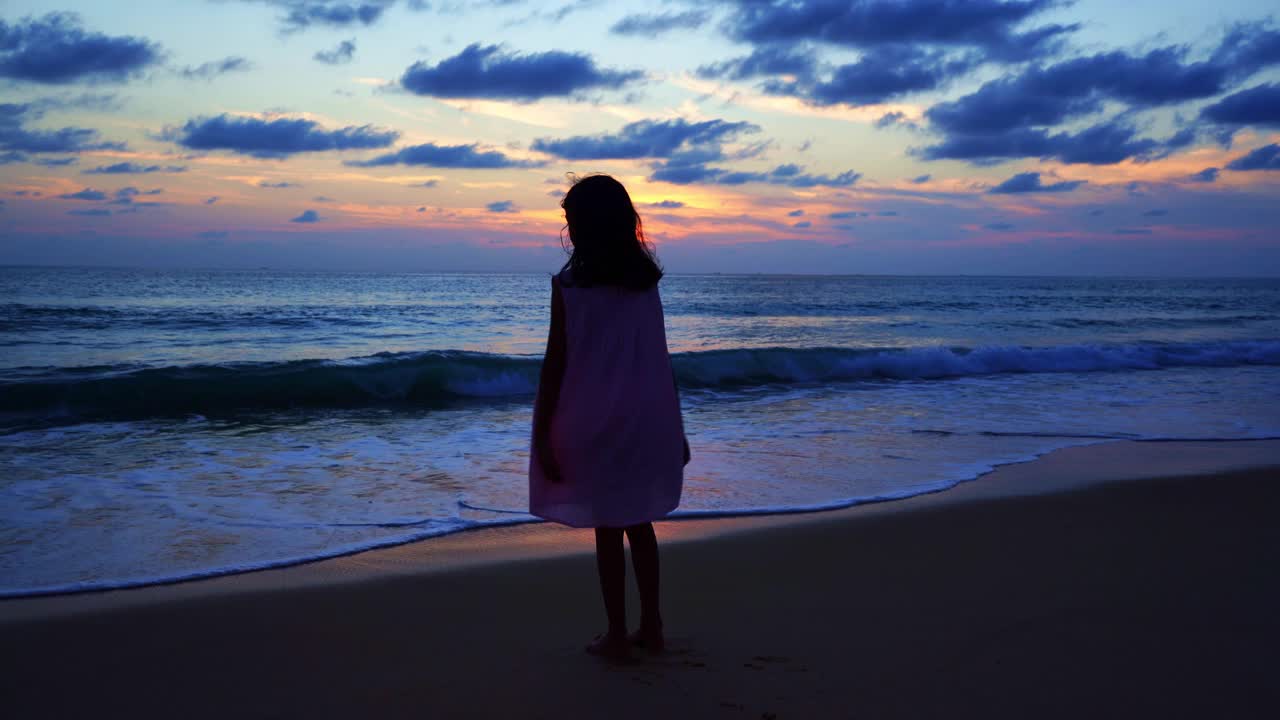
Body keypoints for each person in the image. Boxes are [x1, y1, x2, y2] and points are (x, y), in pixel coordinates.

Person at [529, 173, 691, 661]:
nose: (569, 229)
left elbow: (556, 362)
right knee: (639, 523)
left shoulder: (570, 285)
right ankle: (653, 628)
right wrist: (676, 428)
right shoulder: (645, 284)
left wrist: (542, 433)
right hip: (643, 417)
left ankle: (618, 634)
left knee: (607, 529)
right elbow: (658, 360)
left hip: (590, 419)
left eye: (572, 220)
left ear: (586, 226)